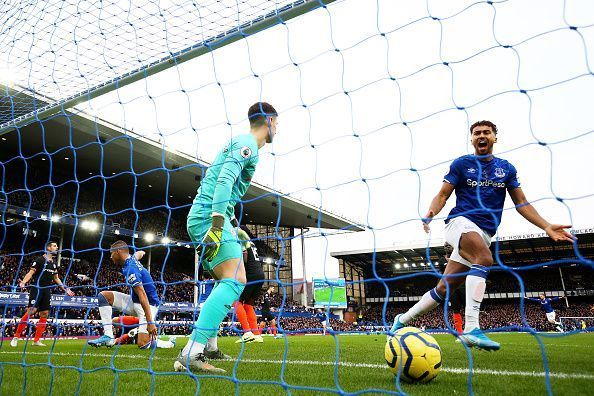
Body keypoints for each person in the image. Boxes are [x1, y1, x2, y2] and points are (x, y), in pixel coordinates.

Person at [390, 120, 574, 351]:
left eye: (486, 132)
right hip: (460, 223)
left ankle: (402, 320)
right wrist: (431, 212)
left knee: (444, 288)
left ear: (495, 137)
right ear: (472, 139)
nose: (481, 135)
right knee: (485, 259)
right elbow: (443, 194)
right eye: (476, 133)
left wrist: (546, 226)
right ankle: (471, 328)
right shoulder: (461, 164)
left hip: (485, 233)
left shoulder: (506, 169)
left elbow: (521, 203)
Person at [175, 102, 278, 374]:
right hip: (209, 218)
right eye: (276, 123)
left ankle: (209, 346)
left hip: (212, 216)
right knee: (236, 280)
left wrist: (235, 226)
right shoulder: (248, 144)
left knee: (228, 279)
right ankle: (192, 352)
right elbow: (223, 181)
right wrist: (219, 224)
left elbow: (225, 189)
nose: (277, 128)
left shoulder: (241, 143)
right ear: (269, 120)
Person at [87, 241, 174, 349]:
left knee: (143, 344)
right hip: (134, 302)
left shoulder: (130, 269)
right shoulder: (131, 260)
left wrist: (150, 322)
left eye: (111, 253)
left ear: (118, 251)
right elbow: (137, 255)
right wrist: (141, 252)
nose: (110, 257)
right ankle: (108, 336)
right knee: (103, 296)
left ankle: (168, 343)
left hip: (148, 306)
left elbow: (142, 294)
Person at [11, 241, 74, 347]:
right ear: (48, 248)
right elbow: (31, 273)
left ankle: (36, 340)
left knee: (44, 313)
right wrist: (23, 282)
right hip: (37, 288)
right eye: (54, 246)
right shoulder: (40, 260)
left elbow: (56, 278)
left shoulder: (53, 263)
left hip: (46, 291)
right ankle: (16, 337)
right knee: (32, 311)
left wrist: (65, 289)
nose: (57, 247)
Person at [234, 225, 265, 344]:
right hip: (260, 275)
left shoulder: (242, 240)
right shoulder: (253, 244)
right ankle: (257, 335)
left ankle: (247, 332)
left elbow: (245, 255)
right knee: (248, 305)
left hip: (251, 274)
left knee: (236, 300)